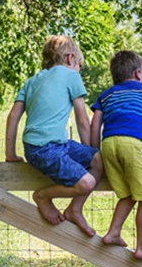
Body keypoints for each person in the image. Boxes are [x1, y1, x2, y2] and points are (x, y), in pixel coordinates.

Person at [5, 35, 103, 237]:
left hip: (47, 146)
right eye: (79, 65)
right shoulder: (71, 76)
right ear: (70, 58)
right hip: (45, 149)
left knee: (99, 160)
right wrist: (90, 147)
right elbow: (82, 119)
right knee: (87, 182)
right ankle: (42, 196)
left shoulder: (32, 81)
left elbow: (13, 116)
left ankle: (74, 210)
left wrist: (10, 153)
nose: (79, 71)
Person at [89, 51, 142, 263]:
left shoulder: (107, 94)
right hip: (134, 143)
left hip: (109, 144)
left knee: (128, 193)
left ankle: (113, 233)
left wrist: (95, 151)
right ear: (139, 74)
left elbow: (96, 124)